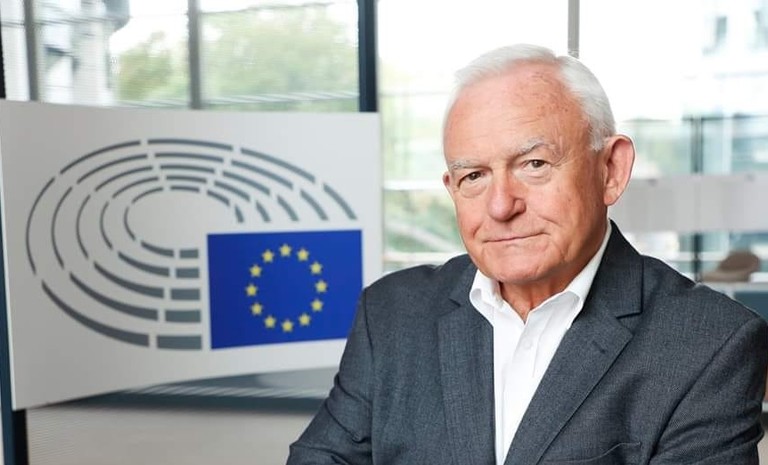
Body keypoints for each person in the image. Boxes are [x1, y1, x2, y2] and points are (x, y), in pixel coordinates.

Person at [286, 44, 768, 464]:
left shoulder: (710, 343)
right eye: (474, 176)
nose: (501, 206)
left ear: (611, 170)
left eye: (534, 164)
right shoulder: (392, 314)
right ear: (452, 188)